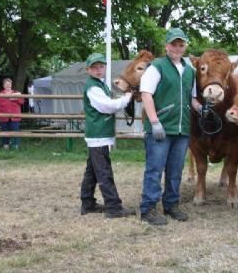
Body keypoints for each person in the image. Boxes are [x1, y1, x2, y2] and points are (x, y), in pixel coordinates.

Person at [139, 28, 201, 225]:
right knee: (155, 169)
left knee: (175, 170)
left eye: (181, 45)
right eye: (173, 44)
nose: (177, 48)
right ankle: (148, 208)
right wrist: (155, 122)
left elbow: (191, 99)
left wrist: (201, 108)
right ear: (167, 46)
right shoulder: (157, 66)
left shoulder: (190, 71)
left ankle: (171, 205)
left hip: (182, 129)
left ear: (185, 47)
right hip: (161, 129)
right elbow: (146, 94)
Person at [80, 52, 137, 219]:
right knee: (104, 171)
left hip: (99, 134)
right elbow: (107, 106)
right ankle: (113, 207)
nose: (98, 70)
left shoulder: (99, 84)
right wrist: (127, 98)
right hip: (98, 135)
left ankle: (87, 203)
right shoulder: (93, 87)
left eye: (101, 66)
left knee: (92, 171)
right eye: (94, 67)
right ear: (88, 69)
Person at [0, 78, 24, 149]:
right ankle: (5, 145)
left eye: (9, 84)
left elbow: (22, 102)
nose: (8, 85)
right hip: (3, 117)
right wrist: (4, 97)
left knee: (15, 131)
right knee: (4, 131)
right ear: (3, 86)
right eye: (6, 84)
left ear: (11, 85)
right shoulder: (0, 94)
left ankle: (15, 145)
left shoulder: (16, 93)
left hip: (15, 117)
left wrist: (16, 98)